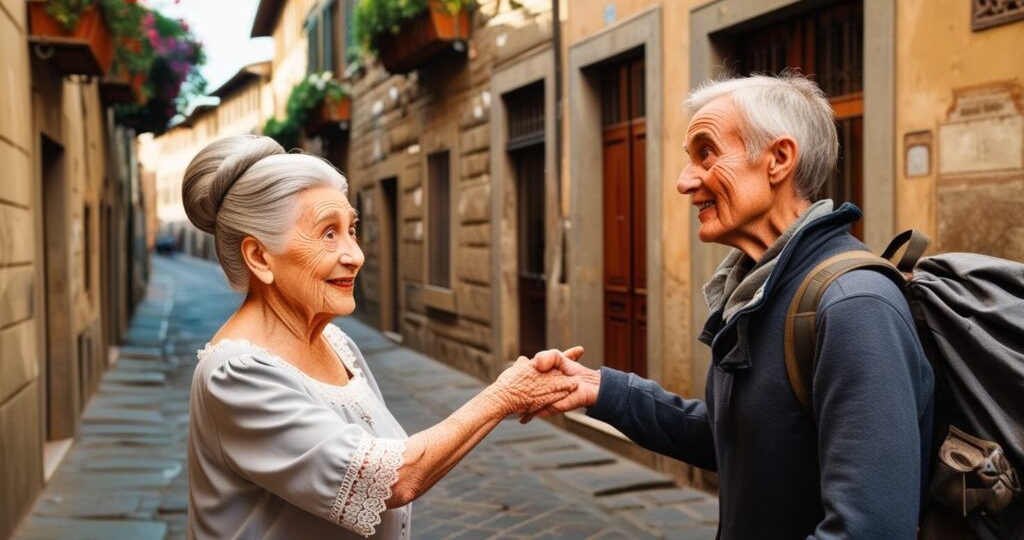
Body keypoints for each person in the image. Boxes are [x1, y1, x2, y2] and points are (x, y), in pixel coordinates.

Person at [529, 73, 935, 538]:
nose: (685, 182)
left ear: (778, 159)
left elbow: (870, 529)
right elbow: (745, 438)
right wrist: (601, 389)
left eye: (707, 153)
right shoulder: (762, 285)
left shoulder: (854, 306)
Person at [182, 135, 580, 539]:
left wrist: (511, 395)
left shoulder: (337, 344)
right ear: (260, 257)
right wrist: (503, 396)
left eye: (351, 230)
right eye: (328, 234)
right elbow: (392, 478)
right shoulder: (235, 374)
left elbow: (392, 460)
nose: (355, 255)